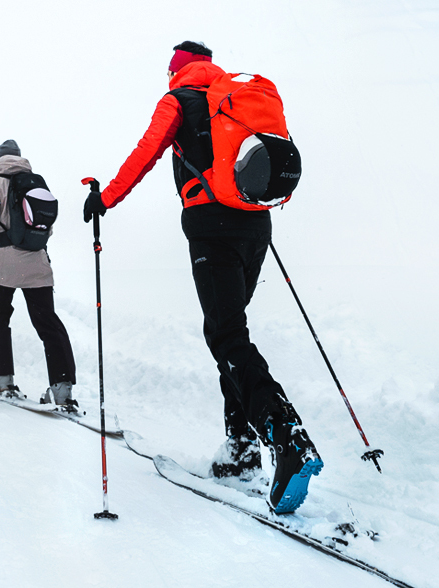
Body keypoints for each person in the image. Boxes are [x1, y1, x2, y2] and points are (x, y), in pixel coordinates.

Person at [84, 41, 323, 514]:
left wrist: (105, 198)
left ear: (177, 69)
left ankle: (286, 436)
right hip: (256, 224)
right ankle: (241, 448)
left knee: (226, 336)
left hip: (211, 227)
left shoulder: (179, 100)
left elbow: (146, 152)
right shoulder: (238, 99)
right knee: (230, 333)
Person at [0, 141, 78, 409]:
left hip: (4, 264)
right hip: (38, 262)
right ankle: (63, 389)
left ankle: (2, 379)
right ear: (19, 159)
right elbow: (46, 227)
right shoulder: (37, 184)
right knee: (48, 323)